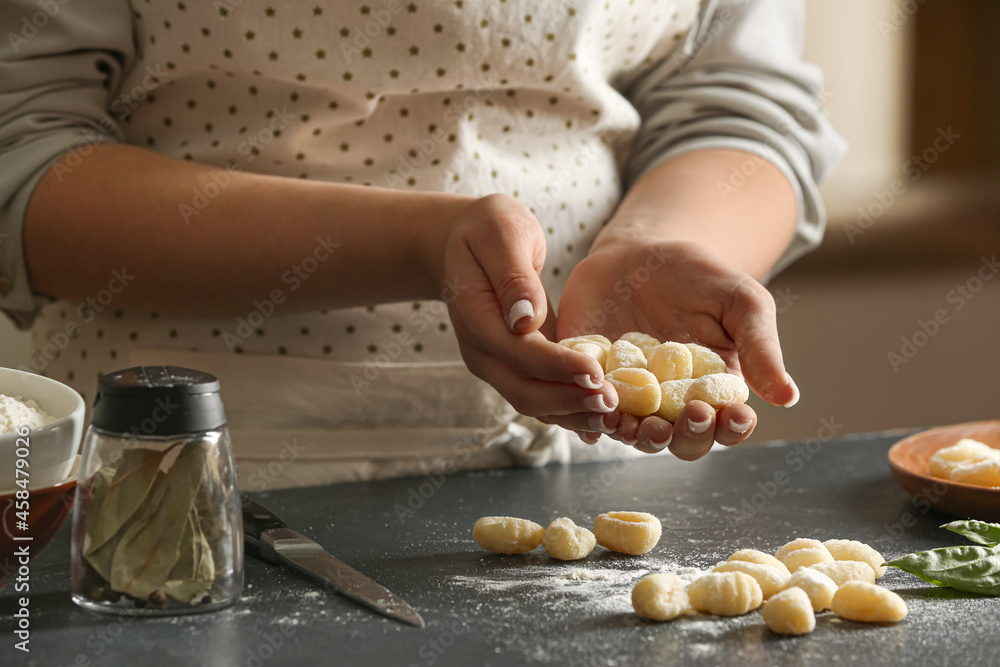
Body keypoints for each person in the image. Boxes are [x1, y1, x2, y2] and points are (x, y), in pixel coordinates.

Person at [0, 0, 846, 487]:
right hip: (194, 475)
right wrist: (423, 241)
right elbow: (22, 149)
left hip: (606, 466)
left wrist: (659, 245)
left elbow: (739, 101)